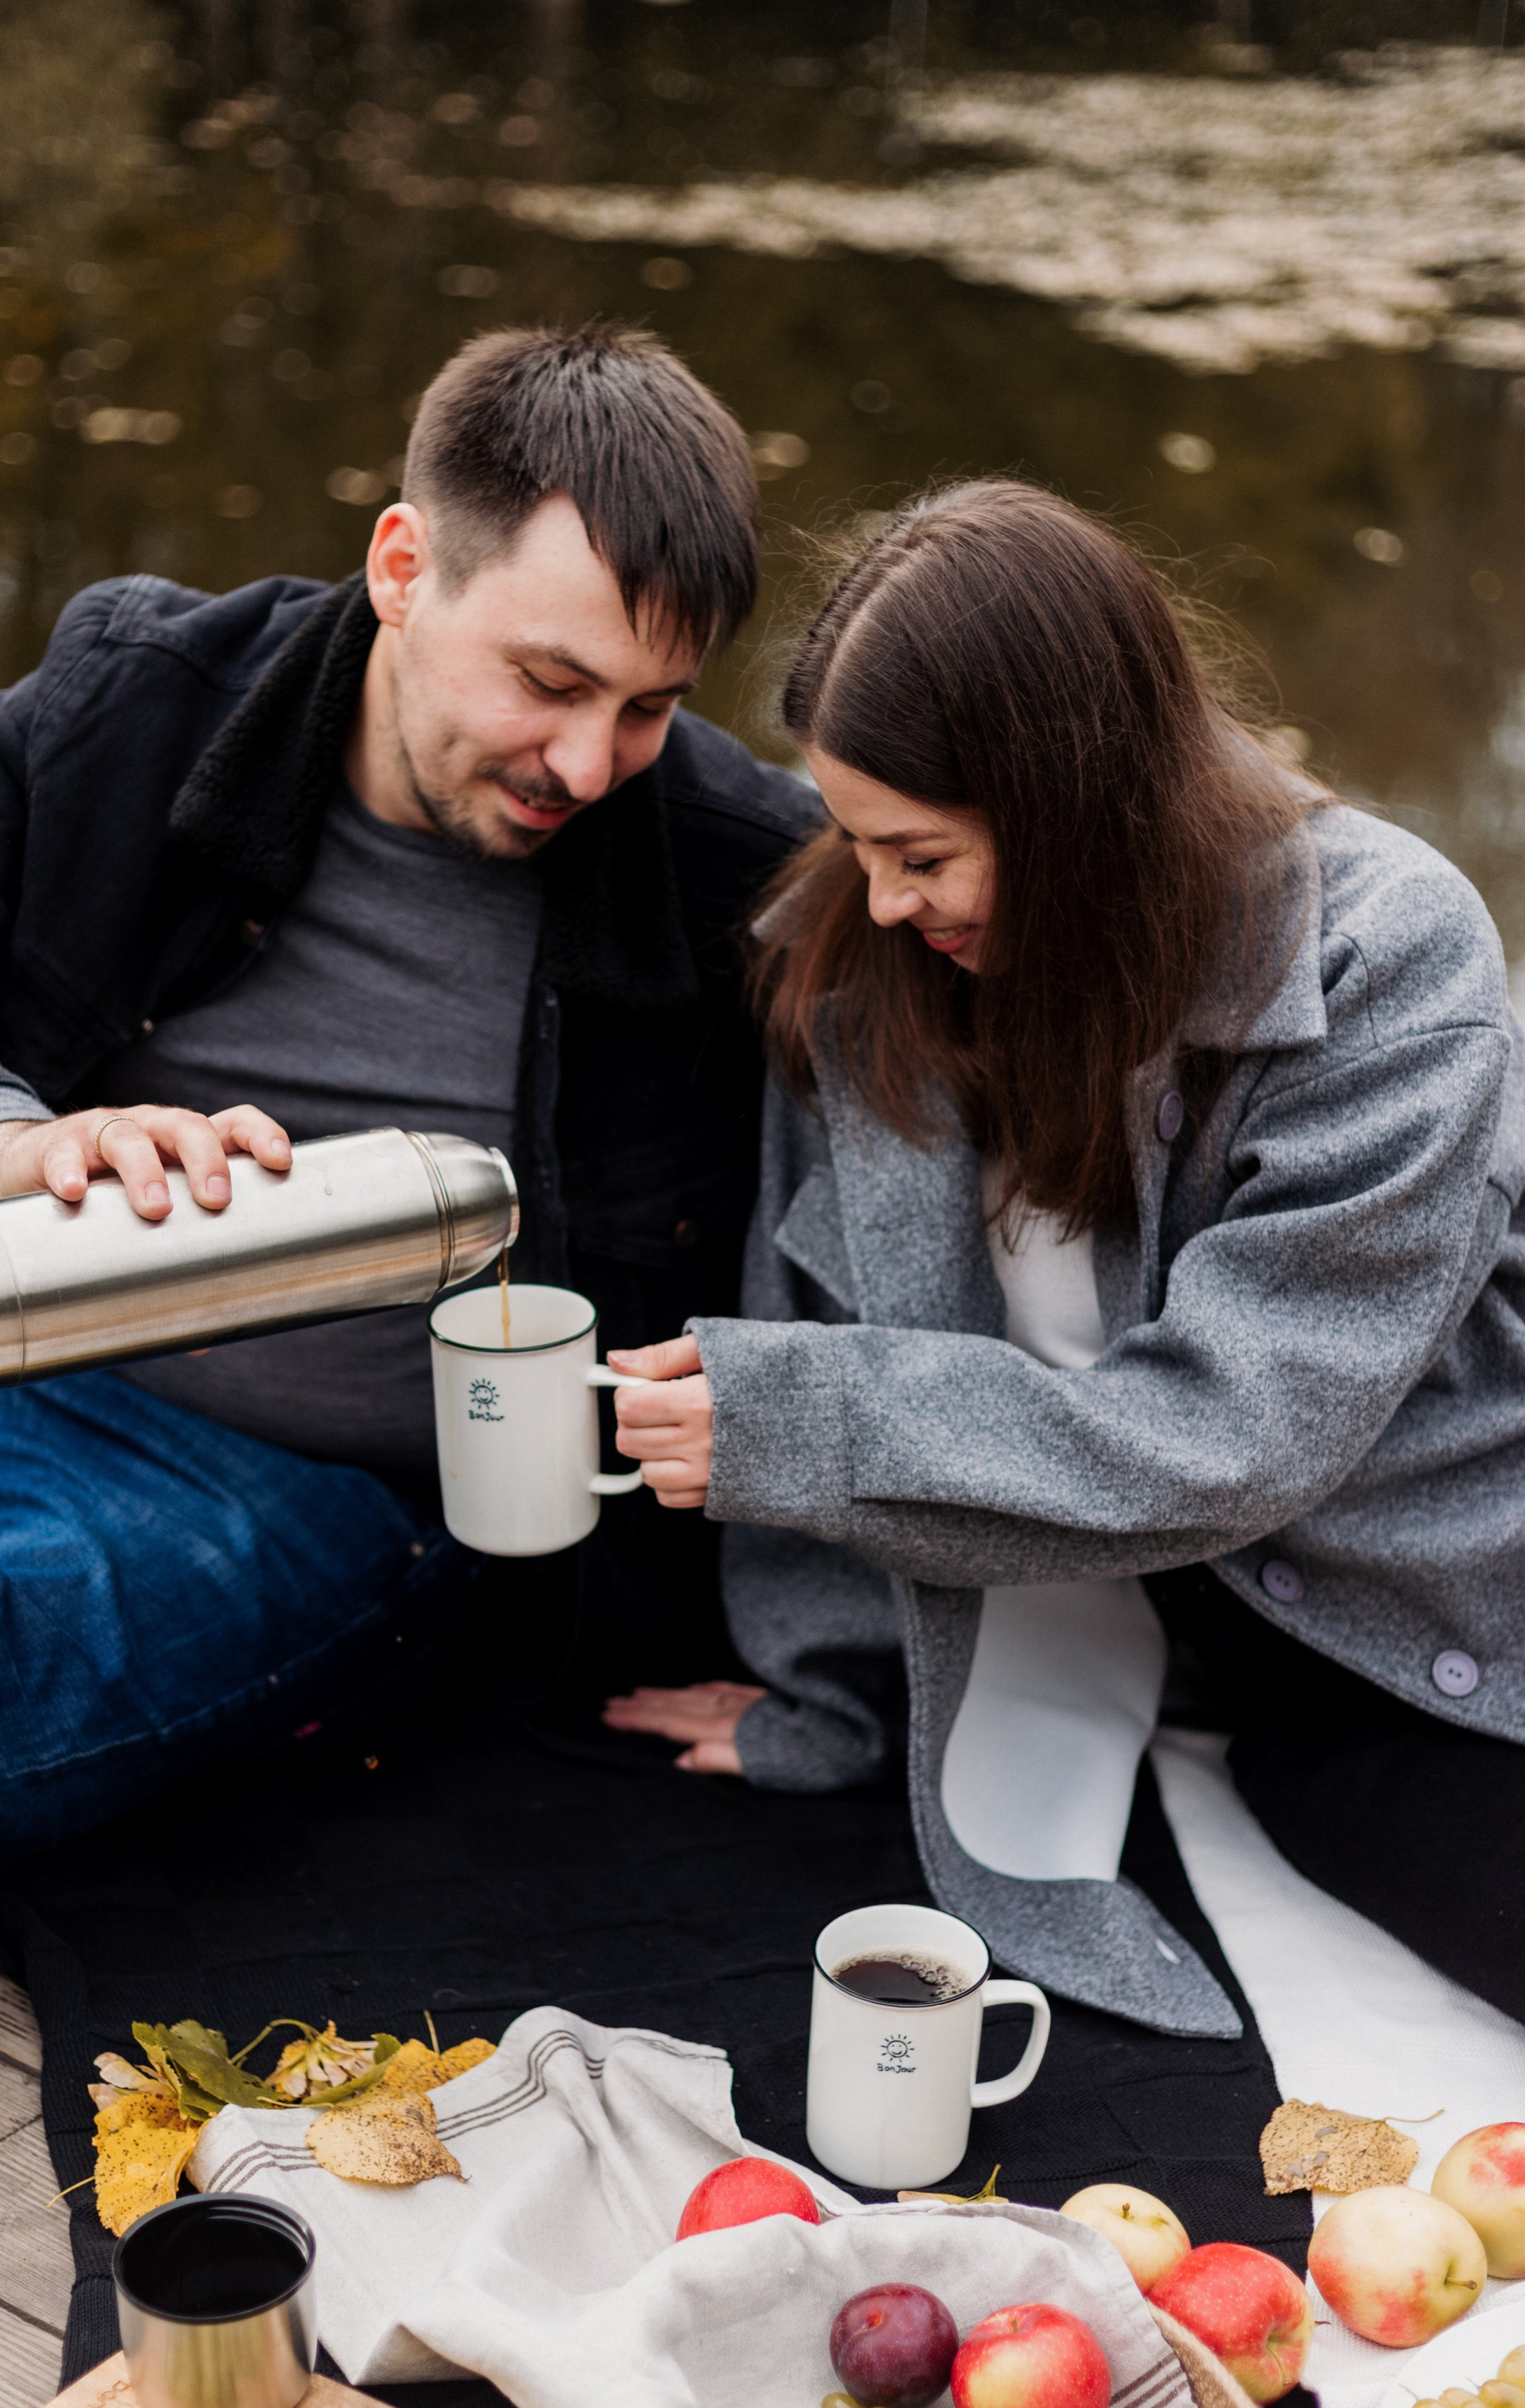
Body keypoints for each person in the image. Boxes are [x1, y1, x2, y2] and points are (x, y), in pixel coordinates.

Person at [0, 322, 816, 2046]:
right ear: (403, 566)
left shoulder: (735, 871)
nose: (592, 765)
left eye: (649, 706)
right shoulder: (152, 686)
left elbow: (979, 1154)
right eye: (546, 682)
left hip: (288, 1501)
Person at [602, 476, 1525, 2038]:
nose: (883, 901)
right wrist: (833, 1689)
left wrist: (802, 1420)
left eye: (922, 856)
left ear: (1070, 802)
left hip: (1432, 1626)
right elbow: (809, 1297)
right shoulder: (860, 962)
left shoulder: (1386, 960)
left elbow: (1234, 1429)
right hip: (1191, 1665)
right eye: (858, 843)